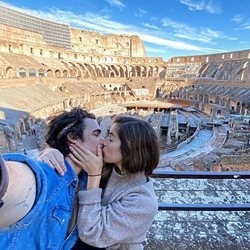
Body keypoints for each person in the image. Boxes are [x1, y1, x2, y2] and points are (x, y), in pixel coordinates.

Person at [42, 115, 160, 249]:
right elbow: (69, 150)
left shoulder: (143, 202)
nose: (103, 142)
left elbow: (91, 232)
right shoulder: (108, 167)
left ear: (129, 147)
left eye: (111, 138)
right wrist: (50, 151)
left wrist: (94, 175)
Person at [0, 107, 103, 249]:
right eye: (96, 134)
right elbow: (25, 183)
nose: (102, 141)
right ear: (73, 138)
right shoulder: (51, 174)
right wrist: (6, 181)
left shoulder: (86, 181)